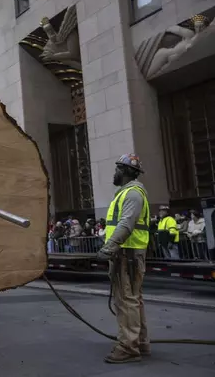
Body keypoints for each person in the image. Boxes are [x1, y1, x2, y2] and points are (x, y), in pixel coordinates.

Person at [97, 154, 150, 363]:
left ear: (126, 171)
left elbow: (126, 225)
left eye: (117, 168)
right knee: (133, 300)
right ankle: (140, 342)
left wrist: (108, 248)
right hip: (128, 253)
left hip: (126, 254)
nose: (115, 172)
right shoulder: (127, 193)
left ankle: (128, 347)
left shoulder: (132, 194)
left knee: (126, 301)